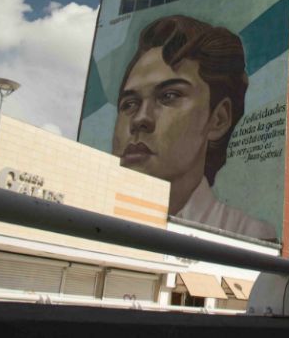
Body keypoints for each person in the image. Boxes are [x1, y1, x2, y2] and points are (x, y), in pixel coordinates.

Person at [112, 15, 277, 241]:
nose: (140, 119)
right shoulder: (87, 212)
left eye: (169, 96)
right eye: (129, 104)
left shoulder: (250, 235)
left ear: (218, 119)